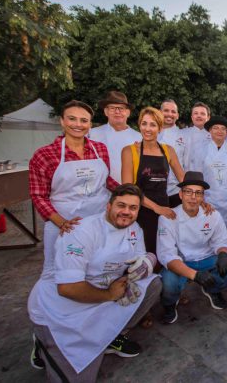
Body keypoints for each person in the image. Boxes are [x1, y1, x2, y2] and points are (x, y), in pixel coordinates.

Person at [27, 184, 161, 382]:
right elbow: (67, 288)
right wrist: (110, 295)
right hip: (62, 309)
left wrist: (148, 261)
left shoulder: (134, 229)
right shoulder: (81, 231)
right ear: (108, 206)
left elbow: (138, 260)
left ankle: (111, 335)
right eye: (121, 205)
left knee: (153, 284)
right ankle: (43, 342)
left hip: (103, 293)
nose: (126, 212)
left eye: (133, 208)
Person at [29, 100, 118, 281]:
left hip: (98, 219)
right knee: (58, 271)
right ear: (62, 121)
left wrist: (128, 193)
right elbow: (38, 196)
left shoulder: (100, 149)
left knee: (96, 265)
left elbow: (106, 180)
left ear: (90, 125)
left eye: (83, 120)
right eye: (72, 119)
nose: (78, 125)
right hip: (63, 222)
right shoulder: (44, 155)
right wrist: (61, 222)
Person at [157, 172, 227, 324]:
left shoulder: (213, 214)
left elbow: (221, 240)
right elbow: (166, 255)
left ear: (203, 197)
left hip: (206, 258)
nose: (193, 197)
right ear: (181, 194)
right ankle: (170, 303)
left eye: (198, 193)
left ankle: (212, 289)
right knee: (168, 282)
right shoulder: (167, 217)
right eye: (188, 192)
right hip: (181, 261)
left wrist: (222, 254)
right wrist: (195, 275)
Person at [121, 107, 184, 256]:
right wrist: (156, 208)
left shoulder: (168, 150)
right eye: (144, 124)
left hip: (164, 207)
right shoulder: (129, 151)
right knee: (147, 252)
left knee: (165, 250)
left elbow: (183, 179)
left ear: (160, 128)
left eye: (153, 125)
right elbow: (129, 190)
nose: (147, 129)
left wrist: (199, 196)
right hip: (141, 209)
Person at [89, 91, 142, 183]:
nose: (117, 112)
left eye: (121, 108)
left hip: (129, 190)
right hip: (98, 191)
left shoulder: (139, 138)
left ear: (128, 112)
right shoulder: (92, 134)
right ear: (106, 111)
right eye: (112, 108)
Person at [158, 99, 189, 207]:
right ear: (159, 112)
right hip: (152, 191)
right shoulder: (149, 133)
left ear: (177, 115)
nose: (169, 114)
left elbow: (188, 165)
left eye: (173, 111)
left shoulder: (184, 137)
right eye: (166, 110)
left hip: (176, 191)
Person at [182, 102, 212, 172]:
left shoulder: (214, 136)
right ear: (192, 117)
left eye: (202, 114)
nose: (199, 116)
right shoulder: (183, 133)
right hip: (187, 177)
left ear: (208, 117)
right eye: (196, 113)